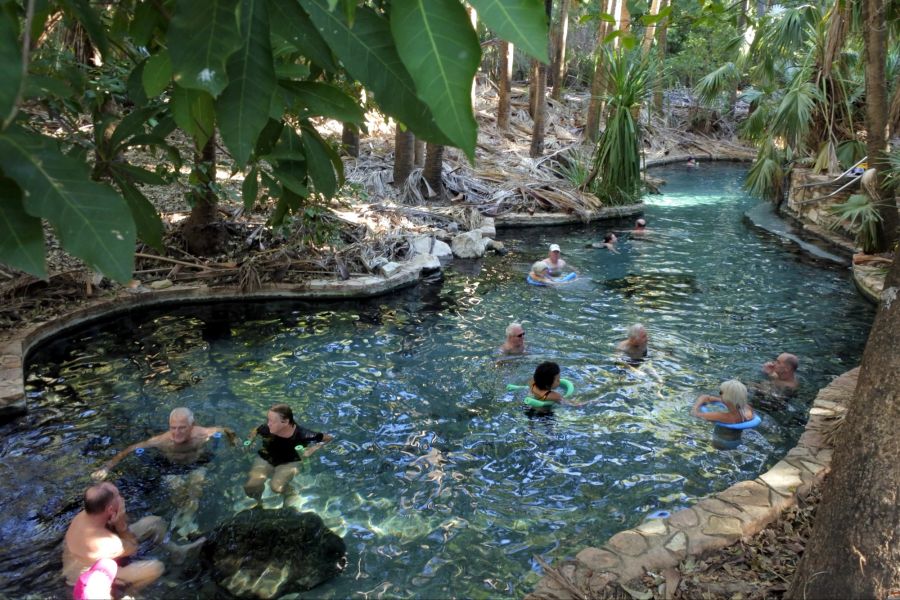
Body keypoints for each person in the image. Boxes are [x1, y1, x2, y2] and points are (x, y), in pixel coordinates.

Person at [62, 483, 166, 594]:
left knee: (155, 522)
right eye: (118, 496)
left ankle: (174, 549)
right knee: (156, 568)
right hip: (85, 579)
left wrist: (119, 518)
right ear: (110, 509)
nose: (121, 499)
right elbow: (133, 548)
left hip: (90, 558)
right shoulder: (107, 542)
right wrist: (121, 525)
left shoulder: (87, 514)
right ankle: (130, 593)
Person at [91, 407, 237, 480]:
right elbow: (130, 449)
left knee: (195, 491)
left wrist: (234, 440)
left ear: (191, 426)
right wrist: (106, 467)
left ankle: (189, 523)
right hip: (170, 468)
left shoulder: (202, 433)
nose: (176, 432)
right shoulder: (161, 440)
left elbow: (226, 429)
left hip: (197, 463)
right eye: (173, 427)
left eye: (182, 428)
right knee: (177, 493)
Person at [243, 404, 334, 499]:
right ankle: (259, 503)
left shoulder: (303, 434)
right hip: (268, 456)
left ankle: (290, 493)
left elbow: (328, 438)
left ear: (285, 422)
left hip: (290, 461)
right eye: (268, 420)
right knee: (251, 487)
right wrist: (250, 440)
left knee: (276, 487)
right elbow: (256, 430)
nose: (268, 424)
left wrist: (312, 450)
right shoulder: (268, 428)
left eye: (272, 421)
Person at [691, 379, 756, 450]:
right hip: (737, 440)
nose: (719, 394)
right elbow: (712, 398)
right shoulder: (747, 409)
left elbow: (694, 414)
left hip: (721, 443)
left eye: (721, 392)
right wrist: (716, 399)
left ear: (727, 397)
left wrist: (695, 407)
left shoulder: (722, 416)